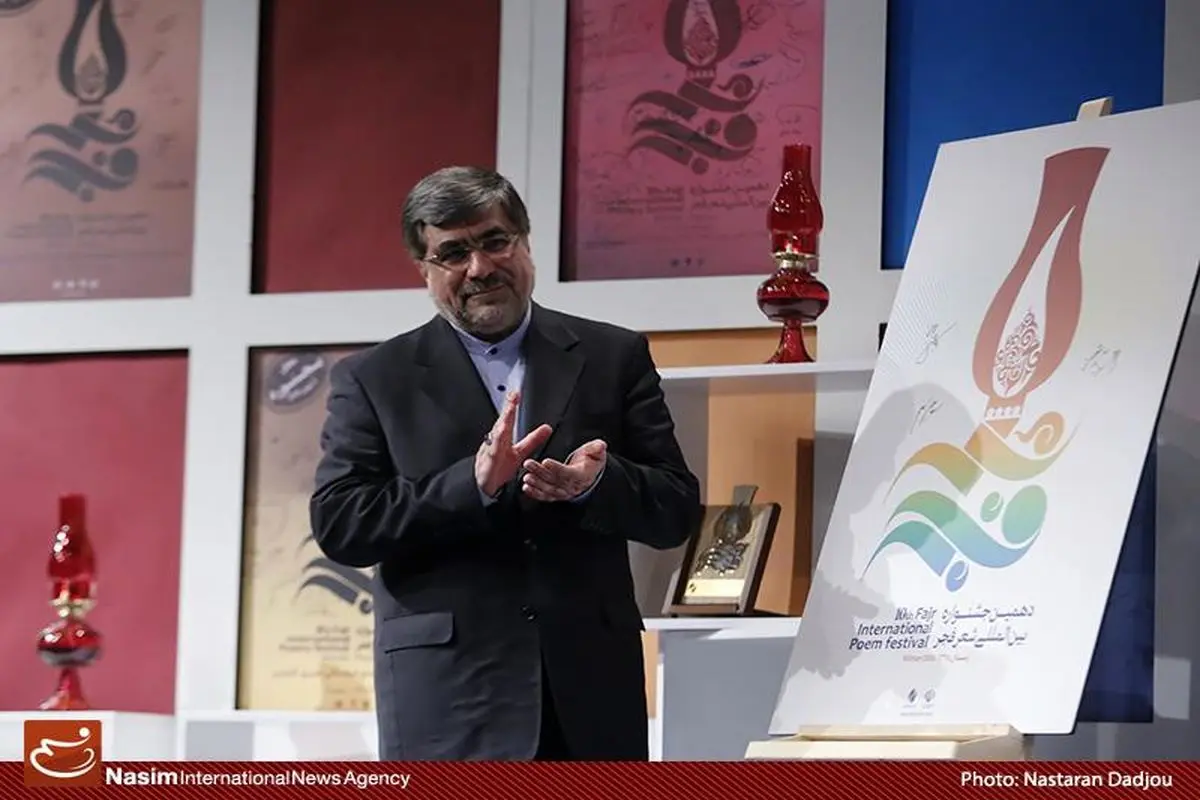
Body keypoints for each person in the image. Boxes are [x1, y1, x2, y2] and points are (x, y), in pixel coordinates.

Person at [309, 166, 702, 761]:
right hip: (449, 703)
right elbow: (342, 524)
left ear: (524, 242)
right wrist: (470, 485)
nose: (479, 268)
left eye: (495, 241)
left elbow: (675, 508)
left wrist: (596, 484)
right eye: (453, 253)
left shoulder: (613, 355)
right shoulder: (374, 379)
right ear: (423, 268)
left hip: (591, 694)